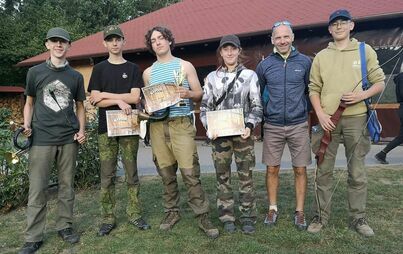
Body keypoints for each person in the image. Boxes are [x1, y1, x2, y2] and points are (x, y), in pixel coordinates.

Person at [308, 9, 385, 237]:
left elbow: (379, 82)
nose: (339, 27)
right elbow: (313, 88)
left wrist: (361, 96)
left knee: (357, 172)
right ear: (330, 29)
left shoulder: (364, 51)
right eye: (334, 24)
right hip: (327, 121)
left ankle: (359, 218)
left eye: (343, 22)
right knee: (323, 171)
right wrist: (320, 114)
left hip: (356, 119)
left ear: (351, 25)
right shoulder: (321, 56)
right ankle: (321, 217)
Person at [143, 26, 219, 239]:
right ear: (151, 45)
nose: (157, 42)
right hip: (158, 126)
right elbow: (149, 101)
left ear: (169, 41)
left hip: (180, 124)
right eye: (153, 40)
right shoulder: (148, 73)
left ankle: (202, 216)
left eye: (161, 38)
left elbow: (200, 94)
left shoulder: (185, 66)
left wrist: (187, 93)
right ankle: (171, 212)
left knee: (190, 173)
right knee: (166, 173)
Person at [19, 27, 86, 254]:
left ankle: (65, 226)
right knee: (38, 189)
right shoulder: (34, 73)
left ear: (68, 46)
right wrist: (27, 124)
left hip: (68, 139)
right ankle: (33, 237)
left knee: (67, 187)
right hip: (41, 139)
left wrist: (82, 130)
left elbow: (80, 107)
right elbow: (29, 102)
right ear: (47, 44)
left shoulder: (76, 76)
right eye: (54, 41)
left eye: (63, 42)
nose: (59, 45)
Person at [87, 25, 150, 236]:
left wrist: (107, 95)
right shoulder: (99, 69)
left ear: (124, 41)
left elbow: (134, 98)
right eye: (110, 39)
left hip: (128, 126)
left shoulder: (132, 68)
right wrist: (117, 100)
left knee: (132, 172)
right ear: (104, 43)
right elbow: (95, 100)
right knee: (107, 175)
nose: (114, 43)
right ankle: (108, 217)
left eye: (118, 39)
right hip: (106, 129)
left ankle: (134, 213)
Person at [200, 34, 263, 234]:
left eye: (233, 48)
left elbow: (257, 106)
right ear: (221, 52)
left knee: (246, 176)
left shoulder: (250, 76)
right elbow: (204, 107)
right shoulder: (212, 78)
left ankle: (247, 216)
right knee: (222, 177)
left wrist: (250, 125)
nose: (229, 52)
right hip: (220, 137)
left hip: (242, 135)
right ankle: (227, 216)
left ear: (239, 51)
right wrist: (210, 128)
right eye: (225, 49)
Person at [256, 21, 312, 230]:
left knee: (300, 169)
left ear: (292, 37)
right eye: (277, 37)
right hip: (273, 125)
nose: (282, 41)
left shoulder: (305, 62)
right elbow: (258, 95)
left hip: (298, 124)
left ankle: (300, 211)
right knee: (272, 169)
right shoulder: (264, 65)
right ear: (272, 40)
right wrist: (263, 117)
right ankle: (272, 209)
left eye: (285, 36)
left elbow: (310, 90)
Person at [375, 68, 403, 164]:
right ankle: (382, 153)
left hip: (401, 108)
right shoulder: (402, 78)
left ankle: (382, 153)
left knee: (401, 136)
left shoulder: (400, 78)